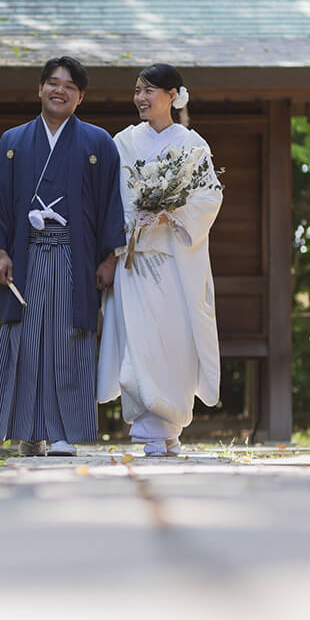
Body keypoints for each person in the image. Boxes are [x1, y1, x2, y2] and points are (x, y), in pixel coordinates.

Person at [0, 56, 126, 457]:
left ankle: (63, 433)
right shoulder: (12, 142)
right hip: (26, 257)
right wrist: (0, 252)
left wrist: (109, 260)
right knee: (26, 339)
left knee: (71, 339)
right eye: (53, 83)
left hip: (76, 258)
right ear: (39, 88)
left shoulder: (98, 143)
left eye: (70, 86)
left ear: (80, 97)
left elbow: (112, 205)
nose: (61, 91)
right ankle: (29, 432)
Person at [96, 63, 223, 457]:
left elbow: (209, 197)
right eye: (137, 90)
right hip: (134, 261)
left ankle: (168, 428)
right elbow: (109, 199)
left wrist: (170, 212)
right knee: (139, 344)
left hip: (175, 263)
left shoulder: (192, 143)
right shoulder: (123, 143)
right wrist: (115, 248)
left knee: (176, 343)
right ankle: (148, 431)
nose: (140, 98)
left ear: (173, 95)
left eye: (149, 90)